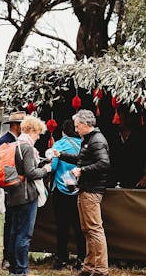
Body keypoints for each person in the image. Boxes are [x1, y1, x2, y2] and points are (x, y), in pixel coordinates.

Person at [52, 109, 110, 276]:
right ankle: (89, 266)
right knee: (87, 230)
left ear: (85, 124)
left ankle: (100, 269)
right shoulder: (88, 140)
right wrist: (61, 154)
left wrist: (82, 171)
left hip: (92, 190)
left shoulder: (97, 141)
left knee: (94, 229)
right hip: (85, 189)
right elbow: (80, 159)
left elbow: (104, 164)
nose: (75, 130)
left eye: (77, 126)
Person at [4, 115, 51, 276]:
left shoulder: (13, 144)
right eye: (38, 133)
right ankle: (22, 270)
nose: (38, 137)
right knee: (24, 234)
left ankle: (13, 269)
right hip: (26, 195)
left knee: (14, 232)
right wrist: (46, 170)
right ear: (31, 130)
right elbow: (31, 172)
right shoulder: (28, 147)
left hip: (12, 194)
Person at [49, 119, 85, 270]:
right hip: (79, 190)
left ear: (63, 131)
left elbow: (53, 166)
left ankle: (61, 258)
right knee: (79, 226)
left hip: (60, 190)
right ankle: (81, 259)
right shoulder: (84, 145)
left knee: (62, 226)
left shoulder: (58, 145)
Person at [0, 111, 24, 270]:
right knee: (10, 224)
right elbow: (1, 168)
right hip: (9, 189)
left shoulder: (19, 141)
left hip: (18, 189)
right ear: (15, 126)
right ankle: (7, 257)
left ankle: (15, 256)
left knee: (17, 224)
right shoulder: (4, 142)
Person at [107, 112, 146, 188]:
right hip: (112, 183)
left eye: (121, 118)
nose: (118, 121)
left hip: (134, 183)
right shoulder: (112, 135)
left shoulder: (140, 136)